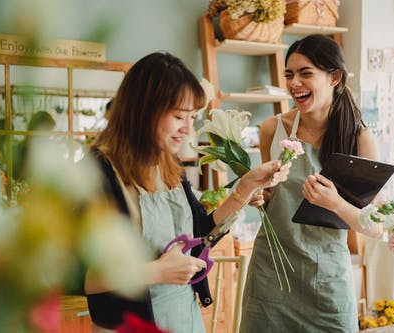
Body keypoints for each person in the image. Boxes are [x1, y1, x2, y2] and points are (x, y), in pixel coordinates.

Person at [84, 52, 289, 333]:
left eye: (193, 116)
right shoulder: (99, 172)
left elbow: (201, 235)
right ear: (144, 110)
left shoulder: (170, 166)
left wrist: (246, 186)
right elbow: (78, 276)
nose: (188, 128)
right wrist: (156, 271)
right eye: (179, 116)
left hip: (184, 320)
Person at [240, 34, 383, 333]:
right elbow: (270, 196)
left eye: (306, 73)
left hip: (327, 282)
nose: (294, 84)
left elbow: (376, 227)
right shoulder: (272, 129)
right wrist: (258, 196)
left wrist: (335, 203)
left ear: (335, 77)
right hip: (272, 276)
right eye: (289, 75)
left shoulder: (358, 139)